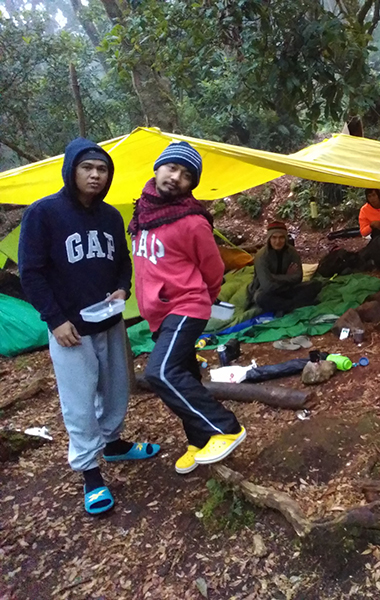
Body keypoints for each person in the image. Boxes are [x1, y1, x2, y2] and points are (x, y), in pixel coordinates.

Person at [18, 138, 159, 515]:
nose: (96, 175)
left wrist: (121, 288)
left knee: (115, 391)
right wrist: (55, 319)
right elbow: (30, 273)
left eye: (103, 169)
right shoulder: (44, 214)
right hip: (71, 329)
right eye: (88, 168)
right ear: (71, 170)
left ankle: (112, 445)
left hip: (109, 321)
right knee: (79, 402)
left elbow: (123, 263)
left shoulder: (111, 216)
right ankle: (90, 473)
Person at [130, 141, 245, 475]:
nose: (176, 177)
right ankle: (198, 442)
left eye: (186, 174)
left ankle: (225, 428)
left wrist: (203, 300)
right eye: (172, 168)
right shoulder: (143, 213)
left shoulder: (193, 221)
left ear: (191, 184)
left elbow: (213, 270)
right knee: (185, 375)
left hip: (187, 305)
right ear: (158, 167)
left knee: (160, 372)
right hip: (159, 312)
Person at [247, 221, 322, 315]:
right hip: (266, 291)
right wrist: (288, 277)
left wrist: (273, 277)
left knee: (316, 285)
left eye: (281, 237)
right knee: (260, 298)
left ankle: (284, 306)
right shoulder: (261, 256)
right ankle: (295, 304)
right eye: (274, 237)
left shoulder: (292, 252)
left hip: (287, 288)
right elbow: (267, 286)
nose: (278, 241)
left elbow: (298, 277)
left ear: (285, 238)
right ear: (269, 239)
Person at [357, 188, 380, 270]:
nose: (372, 199)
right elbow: (363, 232)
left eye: (374, 195)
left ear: (378, 195)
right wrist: (372, 225)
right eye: (369, 196)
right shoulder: (364, 210)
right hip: (377, 237)